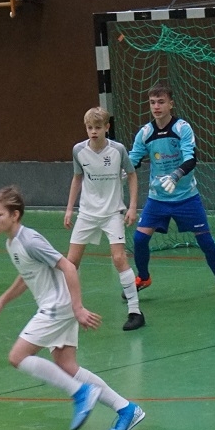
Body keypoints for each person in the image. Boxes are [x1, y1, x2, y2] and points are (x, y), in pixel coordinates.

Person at [0, 185, 145, 430]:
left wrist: (77, 308)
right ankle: (126, 409)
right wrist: (1, 302)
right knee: (67, 365)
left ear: (15, 215)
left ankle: (80, 393)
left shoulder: (30, 240)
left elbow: (68, 266)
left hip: (58, 306)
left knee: (17, 357)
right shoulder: (12, 243)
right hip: (57, 305)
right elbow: (26, 276)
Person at [128, 84, 215, 296]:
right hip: (158, 198)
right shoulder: (145, 133)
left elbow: (191, 158)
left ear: (171, 104)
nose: (156, 107)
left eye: (161, 102)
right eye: (152, 102)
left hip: (186, 197)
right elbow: (133, 158)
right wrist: (122, 170)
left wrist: (176, 175)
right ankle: (143, 277)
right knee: (140, 239)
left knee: (205, 240)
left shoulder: (182, 128)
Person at [64, 107, 144, 331]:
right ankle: (67, 309)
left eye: (98, 127)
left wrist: (132, 207)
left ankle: (135, 312)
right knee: (70, 263)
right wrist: (69, 209)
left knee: (119, 259)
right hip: (87, 213)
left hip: (112, 213)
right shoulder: (78, 150)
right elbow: (77, 178)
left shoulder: (117, 150)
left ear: (107, 127)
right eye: (90, 127)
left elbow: (132, 175)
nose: (93, 131)